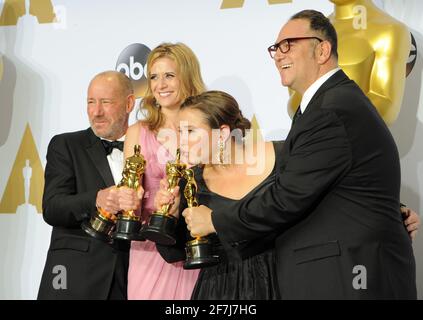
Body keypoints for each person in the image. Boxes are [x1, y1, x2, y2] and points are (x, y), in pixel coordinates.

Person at [183, 10, 417, 299]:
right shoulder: (321, 106)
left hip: (348, 275)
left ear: (322, 50)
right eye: (275, 48)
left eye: (289, 44)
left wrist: (216, 221)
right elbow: (337, 183)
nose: (279, 55)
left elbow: (289, 195)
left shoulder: (331, 109)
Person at [155, 90, 281, 299]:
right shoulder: (190, 181)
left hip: (282, 281)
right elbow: (174, 253)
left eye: (191, 132)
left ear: (222, 133)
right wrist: (171, 215)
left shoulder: (281, 157)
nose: (182, 141)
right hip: (220, 290)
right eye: (179, 132)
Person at [38, 71, 140, 300]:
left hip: (131, 277)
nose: (96, 112)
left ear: (129, 103)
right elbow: (53, 207)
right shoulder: (65, 145)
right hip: (75, 279)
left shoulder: (147, 148)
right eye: (91, 102)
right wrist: (96, 199)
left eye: (105, 102)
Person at [123, 42, 206, 299]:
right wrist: (136, 200)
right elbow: (130, 196)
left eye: (169, 75)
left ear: (187, 77)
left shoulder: (209, 127)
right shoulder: (137, 132)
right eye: (154, 77)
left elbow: (224, 186)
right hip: (150, 249)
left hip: (197, 246)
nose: (161, 85)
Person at [288, 0, 410, 125]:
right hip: (309, 138)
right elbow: (296, 101)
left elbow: (385, 106)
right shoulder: (312, 33)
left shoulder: (389, 30)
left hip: (355, 141)